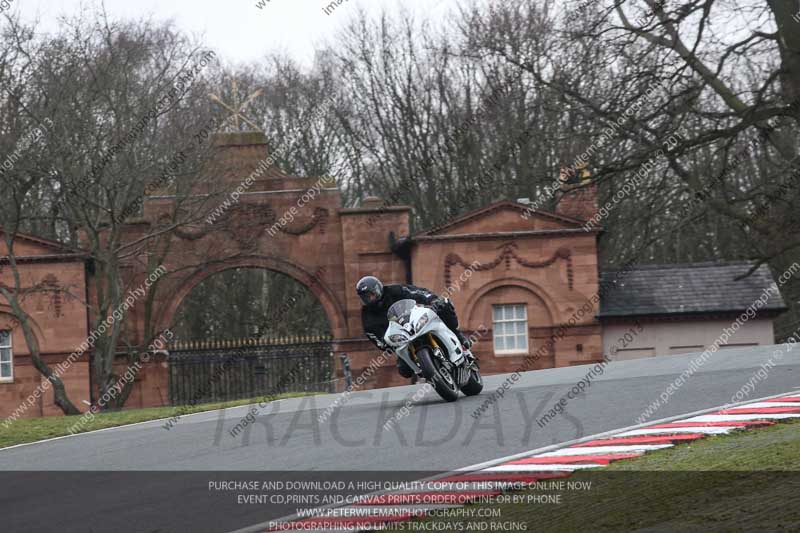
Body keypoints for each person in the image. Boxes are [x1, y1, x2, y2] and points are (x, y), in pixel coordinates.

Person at [356, 275, 475, 379]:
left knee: (444, 305)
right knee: (404, 370)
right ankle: (427, 369)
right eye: (365, 297)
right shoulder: (367, 314)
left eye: (370, 295)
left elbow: (416, 292)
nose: (368, 299)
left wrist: (431, 299)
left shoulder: (394, 290)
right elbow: (372, 334)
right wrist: (383, 344)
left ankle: (458, 335)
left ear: (377, 289)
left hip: (415, 320)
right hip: (401, 338)